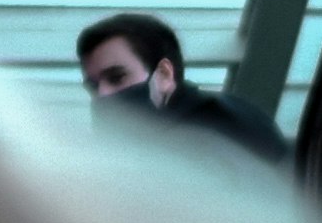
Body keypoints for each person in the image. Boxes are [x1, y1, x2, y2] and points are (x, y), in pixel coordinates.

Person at [77, 13, 287, 160]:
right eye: (94, 88)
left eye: (117, 78)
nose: (103, 95)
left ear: (165, 75)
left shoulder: (213, 138)